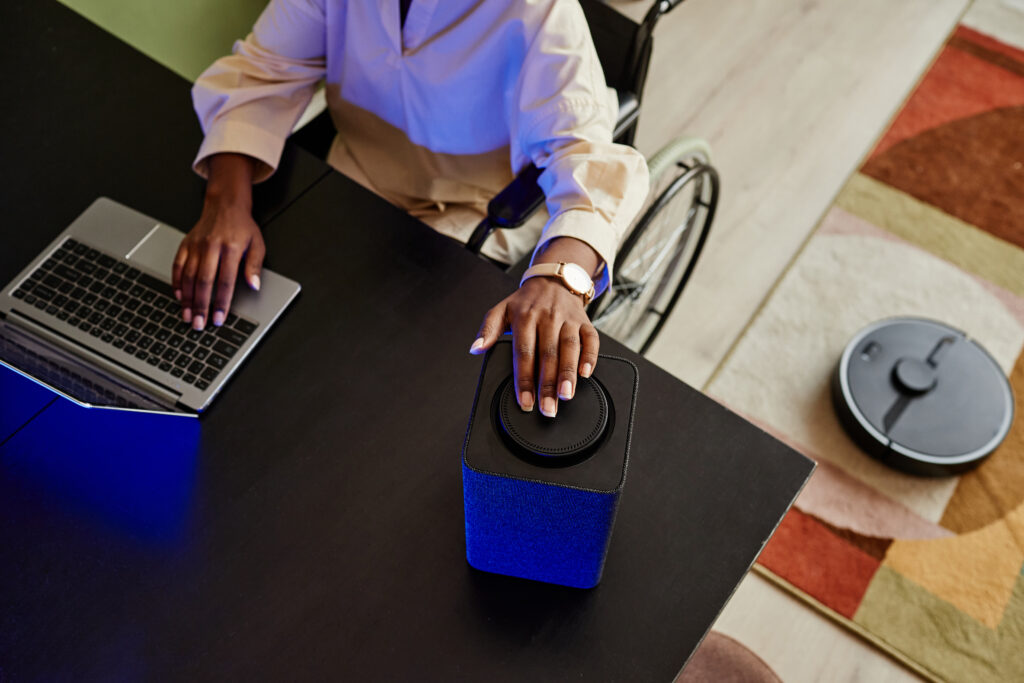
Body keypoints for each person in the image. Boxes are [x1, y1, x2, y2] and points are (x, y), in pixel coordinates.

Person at [174, 0, 648, 418]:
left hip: (470, 215)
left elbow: (584, 155)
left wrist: (560, 279)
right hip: (354, 183)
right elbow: (262, 72)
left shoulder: (539, 10)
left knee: (393, 400)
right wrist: (225, 204)